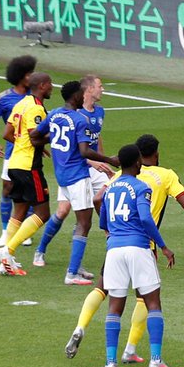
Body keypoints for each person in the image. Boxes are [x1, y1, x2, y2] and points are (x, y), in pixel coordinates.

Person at [66, 134, 184, 363]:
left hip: (116, 243)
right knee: (145, 299)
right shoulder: (165, 175)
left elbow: (98, 199)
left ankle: (81, 327)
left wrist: (108, 228)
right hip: (143, 245)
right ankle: (130, 349)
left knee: (103, 289)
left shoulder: (122, 175)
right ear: (155, 153)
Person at [96, 143, 176, 367]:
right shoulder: (141, 187)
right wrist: (163, 246)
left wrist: (113, 233)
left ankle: (110, 363)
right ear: (137, 162)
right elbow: (145, 219)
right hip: (138, 248)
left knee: (114, 307)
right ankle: (156, 360)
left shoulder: (111, 187)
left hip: (114, 251)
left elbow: (103, 221)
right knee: (153, 303)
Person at [31, 80, 120, 285]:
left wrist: (54, 138)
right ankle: (71, 274)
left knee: (80, 217)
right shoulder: (80, 119)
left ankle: (75, 266)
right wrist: (109, 160)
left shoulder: (55, 114)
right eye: (81, 94)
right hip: (77, 175)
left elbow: (34, 136)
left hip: (62, 173)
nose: (83, 96)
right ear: (76, 96)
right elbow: (84, 151)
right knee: (84, 222)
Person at [0, 72, 54, 275]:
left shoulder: (21, 104)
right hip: (29, 167)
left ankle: (5, 263)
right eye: (50, 84)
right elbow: (35, 138)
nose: (52, 88)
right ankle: (7, 251)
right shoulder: (36, 107)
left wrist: (23, 145)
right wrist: (55, 134)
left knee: (19, 212)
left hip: (14, 163)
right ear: (42, 86)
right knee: (43, 214)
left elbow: (7, 134)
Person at [0, 55, 37, 248]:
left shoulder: (35, 97)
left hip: (30, 152)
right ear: (20, 76)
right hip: (12, 151)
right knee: (8, 188)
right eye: (29, 73)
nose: (32, 76)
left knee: (28, 191)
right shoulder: (3, 98)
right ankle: (5, 231)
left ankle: (24, 231)